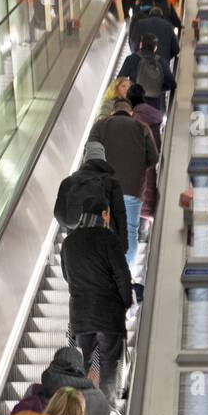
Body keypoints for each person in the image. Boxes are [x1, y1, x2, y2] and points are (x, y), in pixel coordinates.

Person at [60, 196, 133, 410]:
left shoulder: (68, 243)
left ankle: (82, 414)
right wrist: (126, 301)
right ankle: (105, 412)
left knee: (83, 367)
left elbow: (67, 276)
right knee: (109, 367)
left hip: (81, 318)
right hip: (108, 316)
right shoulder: (108, 239)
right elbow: (122, 276)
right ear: (103, 215)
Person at [89, 99, 159, 274]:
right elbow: (153, 158)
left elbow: (90, 154)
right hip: (132, 189)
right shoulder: (142, 127)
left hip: (104, 189)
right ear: (131, 113)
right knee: (130, 231)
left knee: (106, 230)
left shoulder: (100, 125)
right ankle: (127, 273)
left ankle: (106, 272)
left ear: (113, 112)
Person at [54, 140, 127, 245]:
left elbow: (59, 213)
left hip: (76, 244)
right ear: (103, 159)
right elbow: (119, 216)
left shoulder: (68, 182)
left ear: (85, 158)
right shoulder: (111, 183)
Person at [128, 83, 162, 230]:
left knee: (142, 184)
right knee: (149, 180)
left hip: (141, 155)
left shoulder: (136, 118)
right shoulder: (152, 113)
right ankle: (147, 217)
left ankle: (145, 220)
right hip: (153, 151)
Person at [118, 33, 176, 116]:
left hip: (134, 103)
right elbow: (172, 83)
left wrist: (129, 90)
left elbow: (120, 79)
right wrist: (159, 88)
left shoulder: (131, 59)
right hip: (154, 105)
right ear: (155, 48)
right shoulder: (161, 61)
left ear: (141, 44)